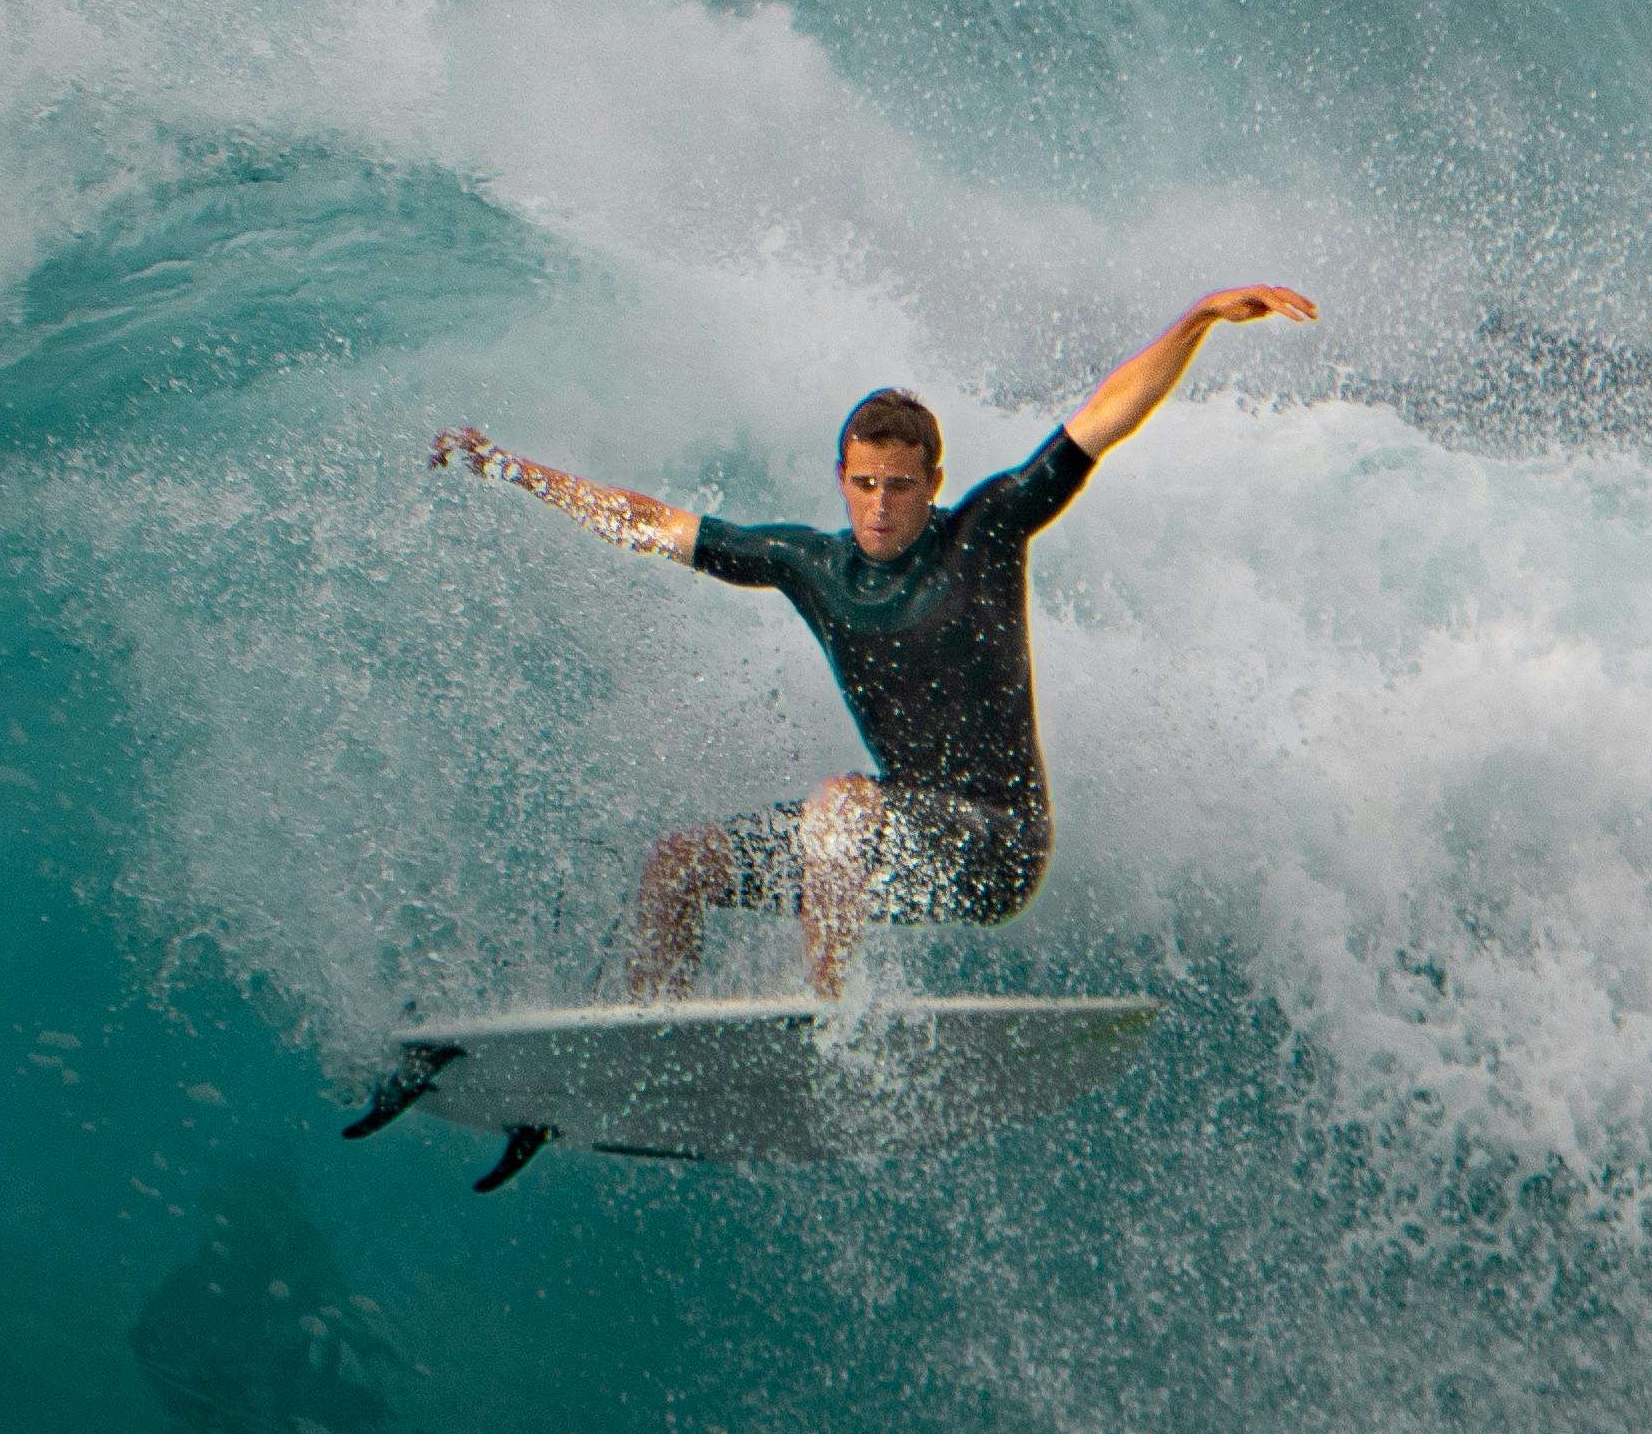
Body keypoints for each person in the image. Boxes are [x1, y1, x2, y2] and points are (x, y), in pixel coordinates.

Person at [431, 290, 1315, 997]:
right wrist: (509, 468)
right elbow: (646, 519)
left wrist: (1197, 319)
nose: (882, 505)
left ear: (934, 481)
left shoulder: (990, 528)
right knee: (679, 865)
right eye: (864, 485)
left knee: (840, 805)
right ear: (841, 481)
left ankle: (828, 1016)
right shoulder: (808, 565)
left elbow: (1103, 418)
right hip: (882, 848)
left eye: (900, 485)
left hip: (999, 846)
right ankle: (647, 1040)